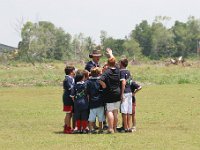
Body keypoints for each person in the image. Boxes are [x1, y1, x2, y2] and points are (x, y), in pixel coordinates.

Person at [100, 56, 121, 134]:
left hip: (109, 93)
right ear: (115, 63)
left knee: (109, 111)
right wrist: (111, 54)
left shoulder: (107, 71)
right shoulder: (118, 70)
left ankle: (110, 128)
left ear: (108, 63)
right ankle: (115, 128)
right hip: (117, 92)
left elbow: (100, 79)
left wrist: (104, 85)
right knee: (115, 111)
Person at [87, 67, 105, 134]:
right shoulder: (100, 81)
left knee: (91, 117)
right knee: (101, 117)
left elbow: (87, 93)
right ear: (98, 74)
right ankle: (101, 129)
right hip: (100, 101)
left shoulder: (88, 82)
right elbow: (104, 87)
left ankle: (90, 129)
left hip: (92, 102)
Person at [119, 58, 133, 132]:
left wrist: (121, 94)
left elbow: (123, 82)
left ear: (121, 63)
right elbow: (130, 81)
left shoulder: (121, 72)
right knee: (129, 110)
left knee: (124, 110)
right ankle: (129, 126)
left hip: (124, 93)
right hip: (130, 92)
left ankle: (125, 127)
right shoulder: (128, 71)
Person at [62, 66, 75, 134]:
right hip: (68, 98)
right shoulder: (68, 79)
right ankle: (67, 128)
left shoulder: (71, 78)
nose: (74, 71)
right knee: (68, 113)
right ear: (71, 72)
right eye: (74, 70)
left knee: (70, 113)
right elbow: (71, 88)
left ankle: (68, 126)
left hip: (70, 97)